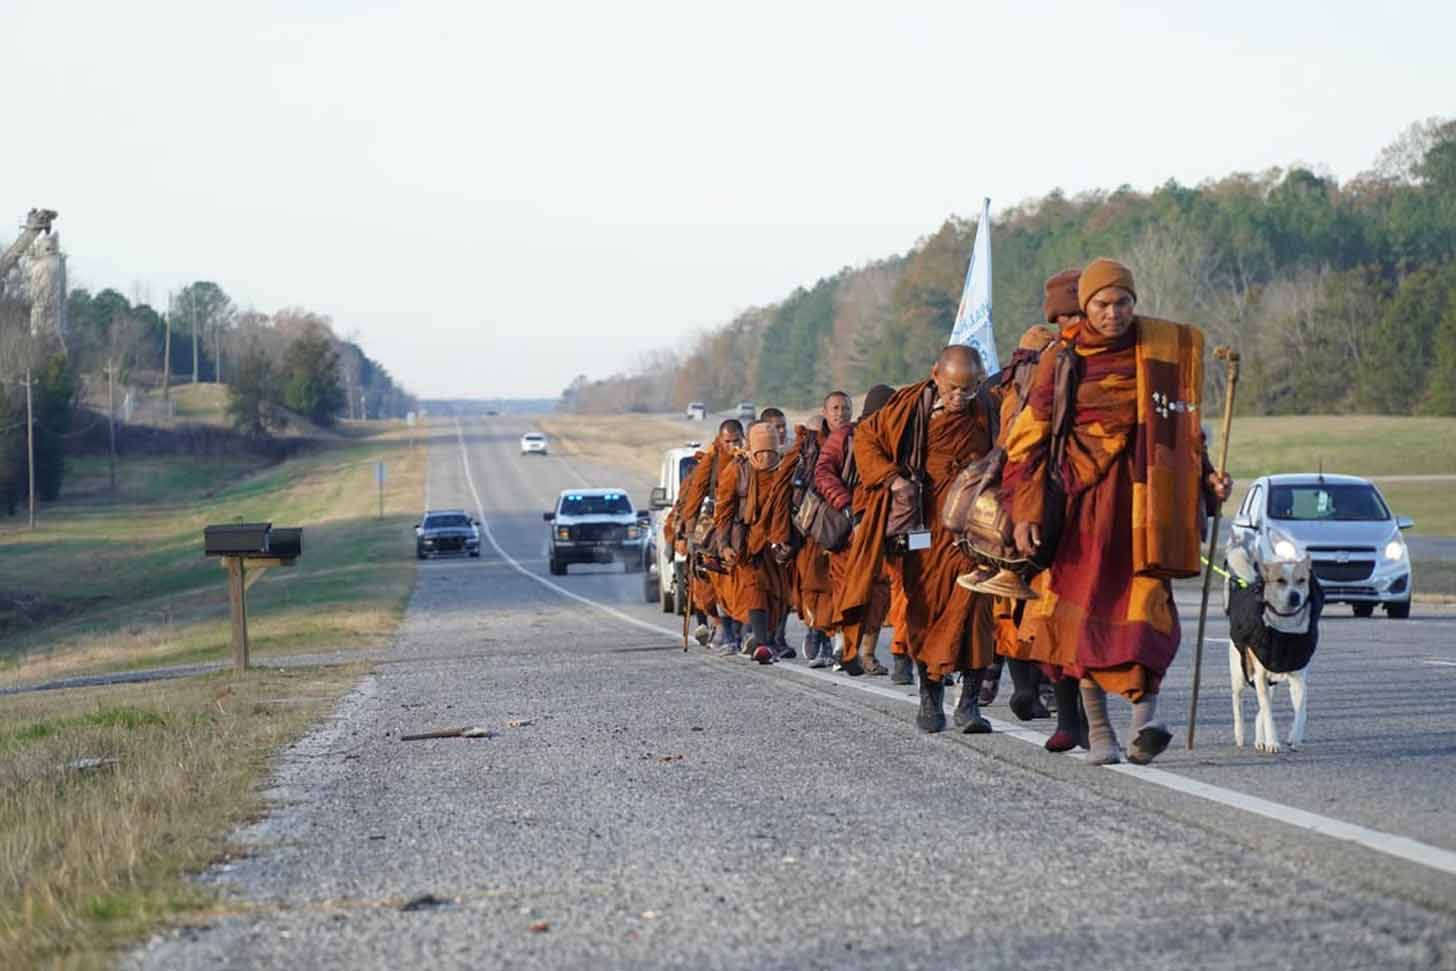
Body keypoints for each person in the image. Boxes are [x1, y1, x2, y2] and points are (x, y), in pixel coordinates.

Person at [1004, 258, 1232, 764]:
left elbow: (1181, 430)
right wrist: (1025, 512)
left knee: (1147, 611)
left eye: (1123, 302)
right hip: (1081, 513)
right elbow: (1025, 444)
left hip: (1145, 510)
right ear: (1085, 307)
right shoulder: (1062, 360)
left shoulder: (1158, 351)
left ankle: (1144, 722)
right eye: (1103, 305)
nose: (1114, 314)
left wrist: (1207, 478)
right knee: (1082, 621)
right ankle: (1101, 731)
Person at [839, 347, 1000, 733]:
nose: (959, 397)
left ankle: (970, 705)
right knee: (924, 610)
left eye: (969, 388)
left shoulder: (989, 408)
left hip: (973, 529)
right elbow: (865, 439)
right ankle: (931, 699)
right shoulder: (910, 407)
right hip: (925, 528)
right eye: (952, 388)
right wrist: (893, 479)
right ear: (935, 375)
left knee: (976, 613)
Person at [817, 384, 896, 675]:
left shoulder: (897, 436)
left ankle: (867, 653)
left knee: (880, 590)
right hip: (851, 528)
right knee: (849, 587)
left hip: (885, 524)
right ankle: (843, 646)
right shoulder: (847, 437)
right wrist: (846, 505)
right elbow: (822, 472)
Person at [715, 419, 798, 664]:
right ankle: (762, 644)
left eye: (770, 452)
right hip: (748, 545)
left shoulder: (786, 472)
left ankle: (770, 640)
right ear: (751, 450)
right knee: (755, 590)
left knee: (778, 594)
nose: (765, 458)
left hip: (778, 544)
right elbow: (723, 511)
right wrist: (724, 545)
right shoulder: (737, 470)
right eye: (760, 452)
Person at [669, 419, 743, 648]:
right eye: (727, 441)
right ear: (720, 440)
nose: (732, 446)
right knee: (710, 582)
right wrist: (690, 534)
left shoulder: (749, 459)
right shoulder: (710, 463)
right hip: (713, 529)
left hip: (741, 525)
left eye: (736, 441)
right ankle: (721, 626)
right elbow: (693, 500)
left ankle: (750, 631)